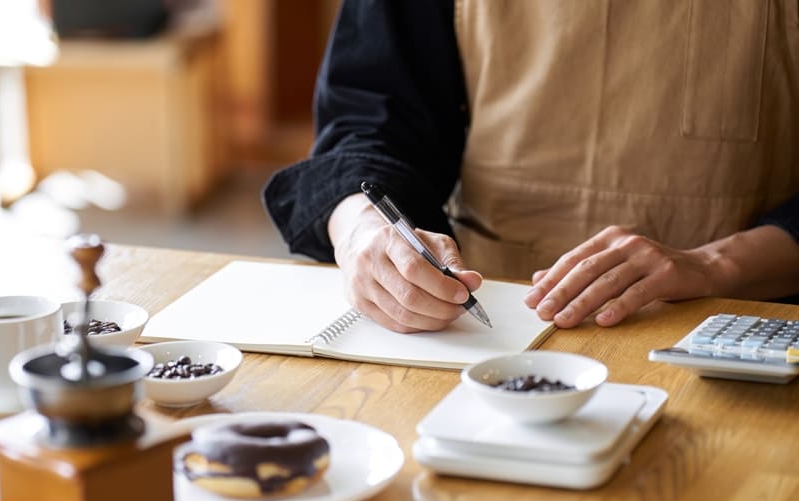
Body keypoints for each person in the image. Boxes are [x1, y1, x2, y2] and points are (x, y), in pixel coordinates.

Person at [262, 1, 799, 333]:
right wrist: (362, 231)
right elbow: (371, 117)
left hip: (741, 326)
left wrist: (715, 265)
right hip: (485, 319)